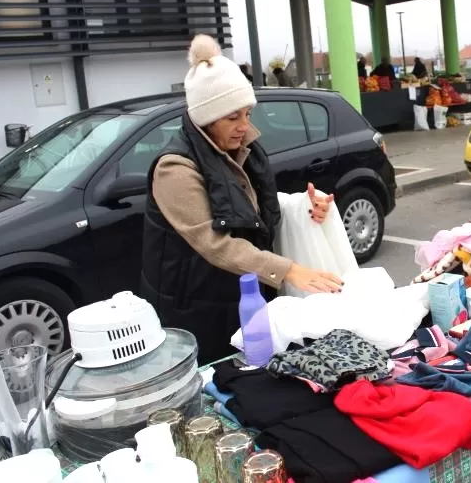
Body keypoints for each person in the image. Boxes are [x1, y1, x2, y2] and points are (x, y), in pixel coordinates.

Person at [140, 35, 343, 364]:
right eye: (232, 117)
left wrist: (304, 207)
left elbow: (243, 203)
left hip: (241, 295)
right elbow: (215, 242)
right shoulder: (174, 169)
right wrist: (288, 270)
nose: (244, 126)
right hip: (195, 307)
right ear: (206, 117)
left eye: (247, 114)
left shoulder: (237, 149)